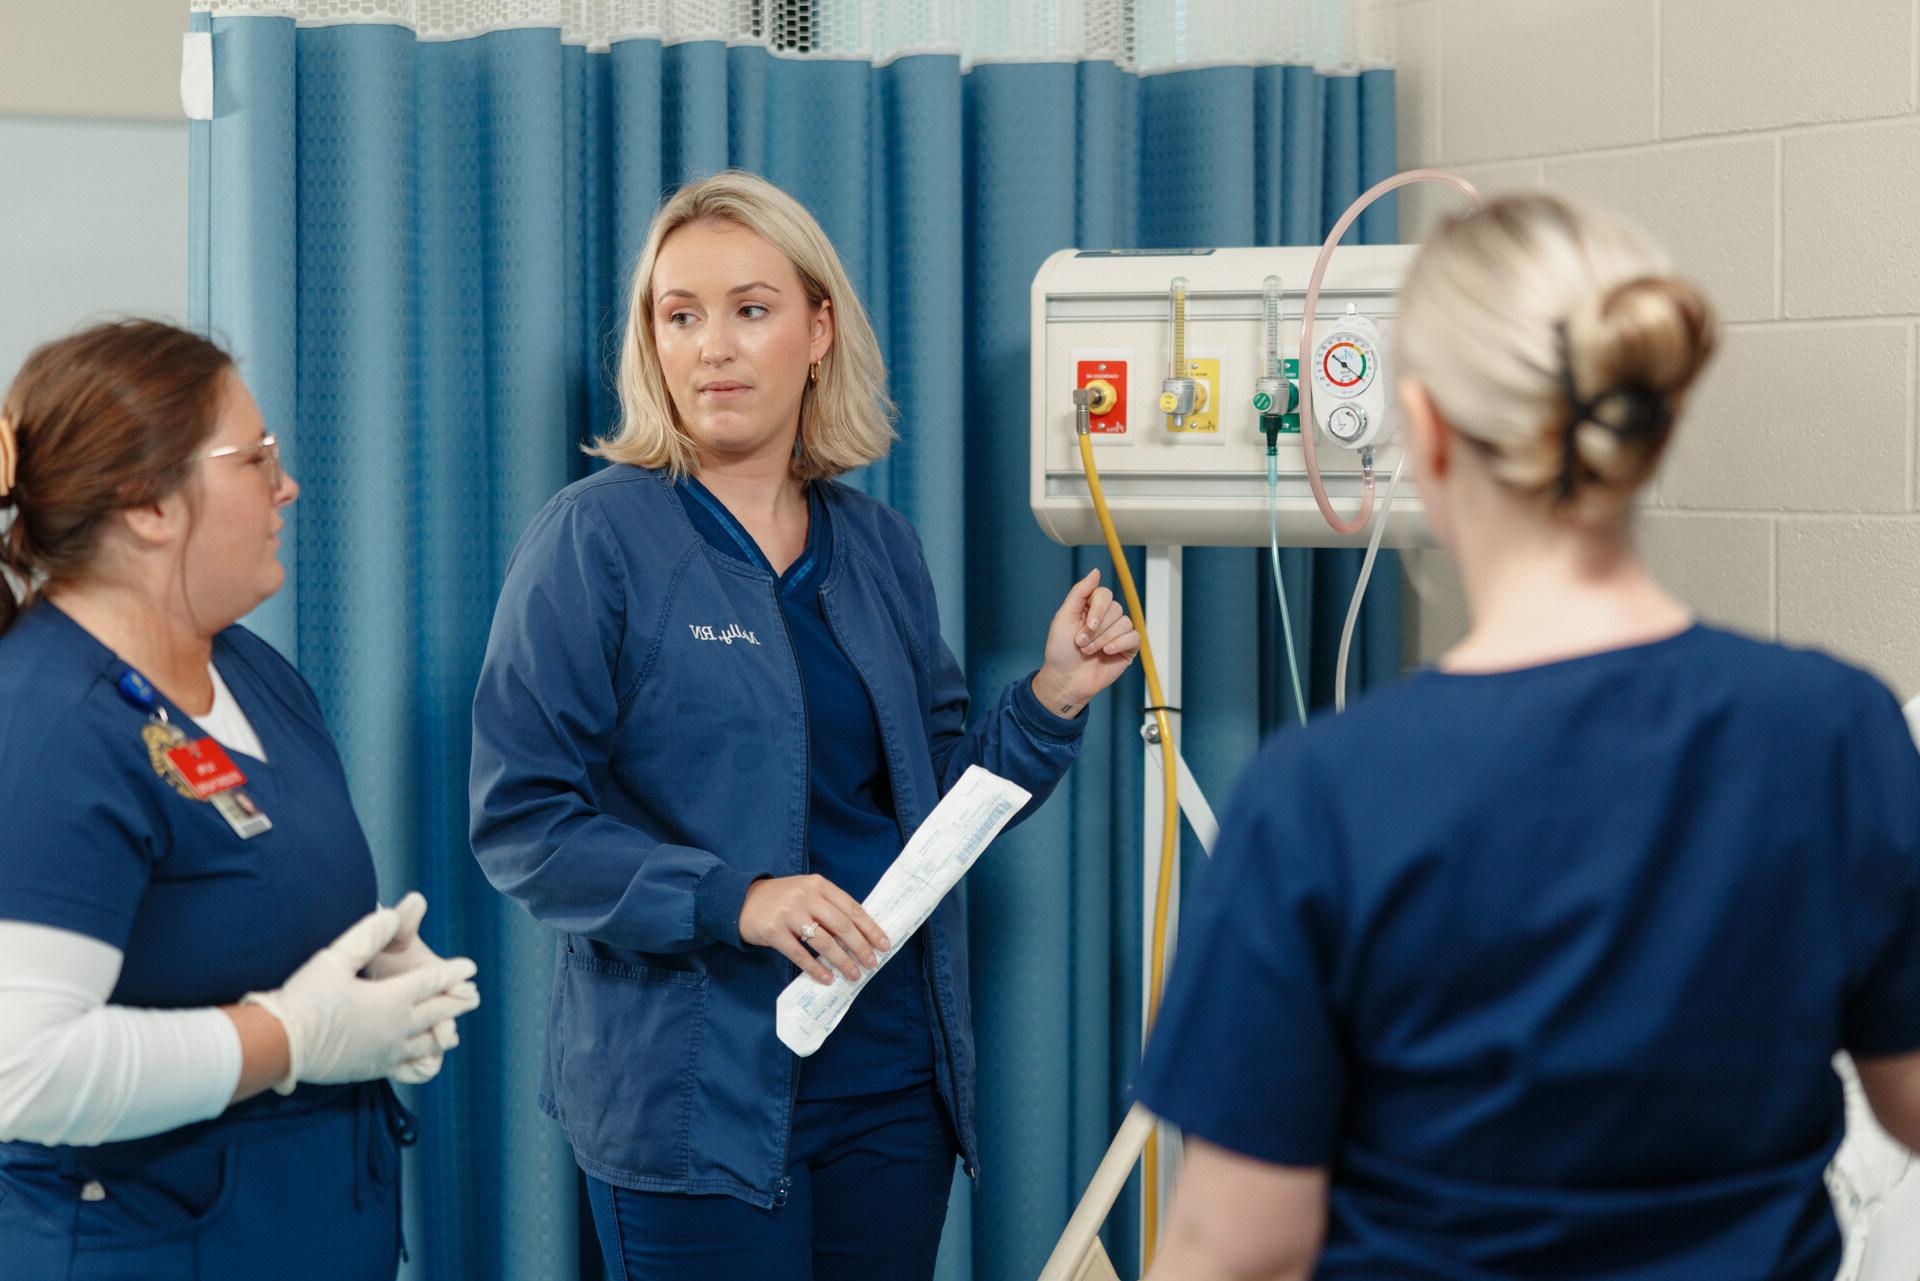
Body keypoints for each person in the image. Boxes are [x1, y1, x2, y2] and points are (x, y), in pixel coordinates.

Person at [1134, 195, 1920, 1280]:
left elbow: (1237, 1246)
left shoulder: (1324, 794)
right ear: (1648, 422)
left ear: (1430, 428)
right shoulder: (1839, 731)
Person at [470, 169, 1138, 1279]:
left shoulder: (876, 546)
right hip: (693, 1099)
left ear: (818, 328)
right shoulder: (593, 542)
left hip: (888, 1089)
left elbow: (934, 806)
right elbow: (524, 822)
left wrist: (1052, 697)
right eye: (679, 316)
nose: (713, 348)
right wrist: (736, 900)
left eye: (751, 309)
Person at [0, 320, 482, 1281]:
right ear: (147, 504)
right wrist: (292, 1037)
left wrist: (374, 988)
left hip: (302, 1229)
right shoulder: (49, 725)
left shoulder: (253, 676)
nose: (286, 484)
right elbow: (24, 1073)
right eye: (256, 458)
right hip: (142, 1246)